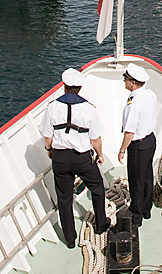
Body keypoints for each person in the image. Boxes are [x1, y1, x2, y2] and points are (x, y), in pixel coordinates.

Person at [39, 68, 110, 248]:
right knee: (97, 187)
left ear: (64, 86)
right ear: (79, 88)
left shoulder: (52, 107)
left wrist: (50, 150)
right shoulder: (89, 109)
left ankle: (69, 239)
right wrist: (100, 155)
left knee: (64, 198)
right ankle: (101, 224)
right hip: (82, 158)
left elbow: (47, 135)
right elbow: (95, 139)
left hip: (61, 158)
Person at [117, 63, 158, 228]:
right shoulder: (150, 94)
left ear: (133, 82)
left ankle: (136, 216)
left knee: (136, 181)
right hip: (150, 140)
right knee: (147, 176)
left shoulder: (134, 102)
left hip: (138, 146)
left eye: (126, 79)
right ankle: (147, 210)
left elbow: (130, 132)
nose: (124, 82)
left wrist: (122, 150)